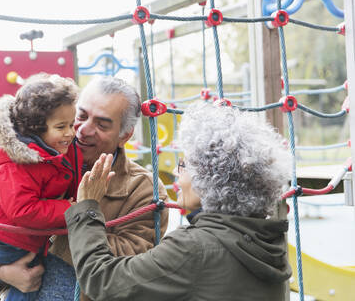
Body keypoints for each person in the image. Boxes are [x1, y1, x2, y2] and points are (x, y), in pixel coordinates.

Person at [65, 102, 293, 301]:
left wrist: (87, 208)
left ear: (209, 178)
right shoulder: (271, 242)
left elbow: (101, 280)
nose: (175, 171)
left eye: (183, 165)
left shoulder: (194, 249)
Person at [0, 76, 169, 300]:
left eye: (101, 124)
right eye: (80, 116)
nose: (83, 130)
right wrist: (0, 272)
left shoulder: (142, 189)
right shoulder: (35, 159)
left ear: (125, 135)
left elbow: (132, 258)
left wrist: (77, 217)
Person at [0, 73, 82, 301]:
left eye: (72, 124)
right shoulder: (16, 165)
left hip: (18, 234)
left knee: (24, 284)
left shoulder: (51, 151)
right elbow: (23, 209)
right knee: (27, 286)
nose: (71, 133)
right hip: (5, 238)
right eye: (61, 126)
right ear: (35, 130)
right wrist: (68, 209)